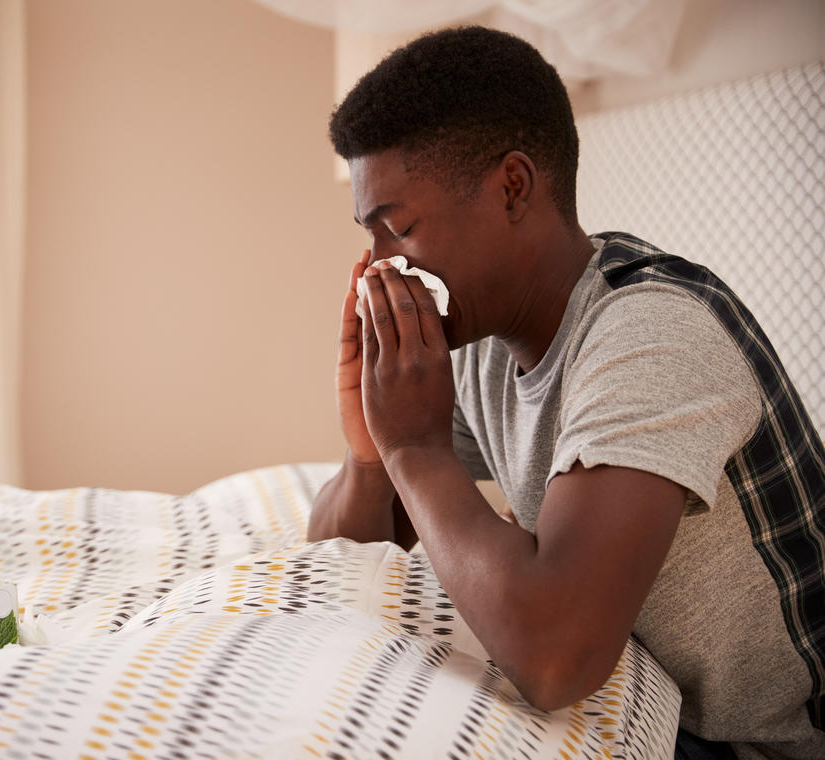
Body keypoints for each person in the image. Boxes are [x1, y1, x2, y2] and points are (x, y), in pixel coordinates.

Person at [307, 25, 825, 760]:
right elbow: (336, 560)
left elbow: (555, 659)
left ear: (513, 188)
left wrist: (415, 448)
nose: (383, 268)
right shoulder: (484, 340)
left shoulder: (655, 334)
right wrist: (370, 453)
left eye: (399, 231)